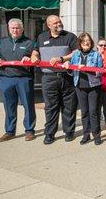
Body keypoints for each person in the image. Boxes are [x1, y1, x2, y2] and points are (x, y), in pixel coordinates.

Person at [32, 15, 78, 144]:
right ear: (49, 26)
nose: (59, 24)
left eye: (60, 21)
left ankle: (69, 132)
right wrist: (34, 57)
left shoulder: (70, 36)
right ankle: (49, 134)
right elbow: (35, 51)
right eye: (55, 23)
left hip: (67, 76)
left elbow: (76, 52)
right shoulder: (42, 37)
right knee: (51, 107)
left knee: (69, 106)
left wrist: (62, 58)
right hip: (48, 78)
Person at [0, 18, 36, 142]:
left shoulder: (30, 43)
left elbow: (36, 57)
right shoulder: (1, 41)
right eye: (12, 28)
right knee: (9, 106)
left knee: (28, 105)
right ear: (9, 29)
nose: (15, 30)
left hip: (24, 78)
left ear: (22, 29)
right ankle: (10, 131)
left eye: (17, 28)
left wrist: (30, 58)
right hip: (6, 78)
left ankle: (29, 130)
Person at [69, 33, 104, 145]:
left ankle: (96, 134)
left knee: (93, 111)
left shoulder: (96, 54)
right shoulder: (76, 54)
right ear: (80, 43)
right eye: (83, 40)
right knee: (84, 112)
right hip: (79, 86)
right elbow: (71, 71)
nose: (86, 42)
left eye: (88, 40)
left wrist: (88, 70)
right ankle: (86, 134)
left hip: (93, 86)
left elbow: (100, 71)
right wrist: (67, 67)